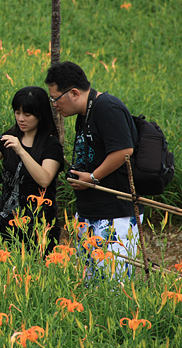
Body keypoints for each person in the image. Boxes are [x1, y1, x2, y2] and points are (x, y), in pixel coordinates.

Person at [44, 61, 142, 279]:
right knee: (90, 287)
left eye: (55, 98)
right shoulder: (84, 113)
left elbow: (124, 150)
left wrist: (93, 177)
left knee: (112, 288)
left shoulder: (107, 108)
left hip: (115, 215)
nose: (54, 105)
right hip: (92, 212)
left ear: (74, 93)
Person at [0, 86, 64, 253]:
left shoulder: (51, 145)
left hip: (39, 224)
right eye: (17, 113)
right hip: (7, 221)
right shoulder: (10, 136)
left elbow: (44, 179)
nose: (21, 119)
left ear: (40, 115)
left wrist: (21, 150)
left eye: (27, 115)